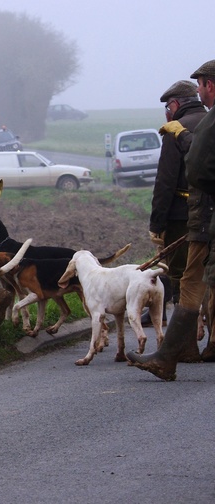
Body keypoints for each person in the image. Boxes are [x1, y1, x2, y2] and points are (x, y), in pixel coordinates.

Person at [128, 60, 215, 380]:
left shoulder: (181, 129)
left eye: (203, 84)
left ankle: (177, 353)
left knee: (187, 281)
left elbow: (171, 180)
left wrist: (156, 223)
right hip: (204, 215)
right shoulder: (207, 119)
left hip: (196, 217)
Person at [143, 81, 209, 335]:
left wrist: (157, 224)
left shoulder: (176, 130)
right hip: (208, 211)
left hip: (181, 216)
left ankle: (186, 338)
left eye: (167, 107)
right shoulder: (209, 120)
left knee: (181, 275)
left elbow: (166, 181)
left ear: (175, 105)